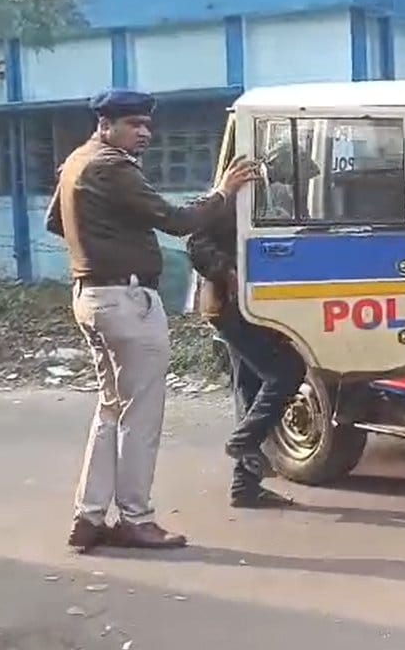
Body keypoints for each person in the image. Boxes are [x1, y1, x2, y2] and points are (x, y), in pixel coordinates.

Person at [45, 89, 259, 553]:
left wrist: (106, 236)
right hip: (126, 299)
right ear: (106, 125)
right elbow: (176, 220)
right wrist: (224, 192)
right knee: (140, 416)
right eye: (134, 125)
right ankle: (136, 519)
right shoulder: (113, 167)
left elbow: (56, 223)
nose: (144, 133)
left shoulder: (77, 162)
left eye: (146, 125)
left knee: (111, 409)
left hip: (91, 295)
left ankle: (89, 515)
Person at [187, 192, 306, 509]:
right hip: (231, 307)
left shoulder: (265, 193)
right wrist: (227, 271)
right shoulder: (229, 196)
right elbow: (196, 245)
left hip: (254, 306)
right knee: (286, 371)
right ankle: (244, 441)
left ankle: (245, 486)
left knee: (250, 391)